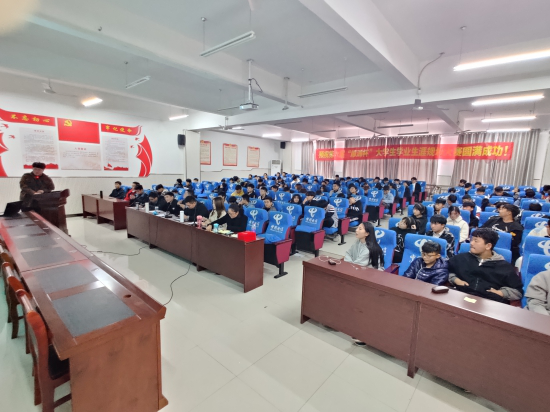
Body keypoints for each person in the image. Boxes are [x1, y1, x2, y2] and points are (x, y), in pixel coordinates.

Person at [448, 228, 523, 304]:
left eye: (476, 241)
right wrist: (455, 279)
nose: (471, 243)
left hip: (489, 302)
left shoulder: (504, 267)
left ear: (488, 246)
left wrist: (501, 293)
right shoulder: (460, 258)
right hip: (460, 297)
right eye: (471, 240)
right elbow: (447, 271)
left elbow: (517, 291)